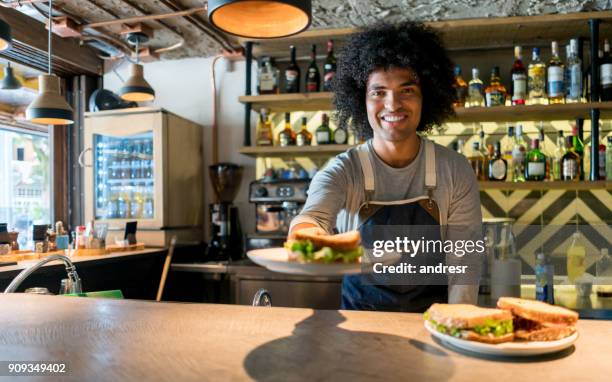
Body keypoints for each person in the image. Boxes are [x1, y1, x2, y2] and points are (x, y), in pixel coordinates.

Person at [288, 21, 482, 312]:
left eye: (407, 90)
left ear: (425, 96)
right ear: (361, 100)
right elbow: (313, 217)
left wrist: (456, 329)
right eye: (378, 92)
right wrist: (307, 237)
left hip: (430, 329)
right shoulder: (343, 170)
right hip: (358, 330)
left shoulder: (454, 170)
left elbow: (465, 263)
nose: (392, 105)